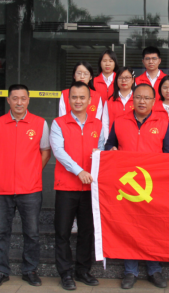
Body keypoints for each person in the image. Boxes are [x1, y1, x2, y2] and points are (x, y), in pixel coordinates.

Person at [104, 83, 169, 289]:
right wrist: (111, 150)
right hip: (127, 187)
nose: (142, 101)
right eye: (138, 97)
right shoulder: (120, 121)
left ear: (154, 101)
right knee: (129, 228)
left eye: (146, 98)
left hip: (153, 186)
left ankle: (154, 270)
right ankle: (130, 271)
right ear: (132, 99)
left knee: (153, 228)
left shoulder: (163, 122)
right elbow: (109, 145)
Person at [0, 84, 51, 288]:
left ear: (28, 100)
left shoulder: (40, 123)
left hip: (30, 189)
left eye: (23, 98)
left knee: (32, 233)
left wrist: (32, 171)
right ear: (8, 100)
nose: (19, 102)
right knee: (1, 233)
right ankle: (1, 271)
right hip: (2, 189)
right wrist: (2, 170)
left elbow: (45, 151)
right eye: (15, 98)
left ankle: (30, 270)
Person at [50, 82, 106, 291]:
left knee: (87, 231)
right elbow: (59, 152)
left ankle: (83, 271)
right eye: (74, 97)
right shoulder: (58, 123)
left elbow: (101, 150)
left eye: (82, 97)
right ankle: (65, 273)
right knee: (62, 232)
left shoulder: (97, 124)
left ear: (90, 101)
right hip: (66, 186)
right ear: (68, 99)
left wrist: (102, 156)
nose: (78, 101)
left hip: (90, 188)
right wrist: (79, 171)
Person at [101, 66, 135, 139]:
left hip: (133, 138)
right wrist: (107, 141)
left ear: (132, 80)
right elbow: (105, 123)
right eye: (120, 78)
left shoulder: (138, 100)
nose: (124, 80)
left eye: (127, 78)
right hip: (113, 139)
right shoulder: (110, 101)